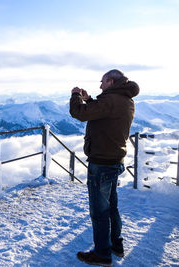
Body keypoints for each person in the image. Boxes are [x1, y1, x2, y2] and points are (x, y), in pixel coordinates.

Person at [69, 69, 139, 266]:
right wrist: (90, 99)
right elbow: (104, 114)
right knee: (111, 208)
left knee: (99, 212)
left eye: (102, 82)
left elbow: (79, 113)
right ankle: (116, 245)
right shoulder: (123, 99)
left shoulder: (111, 100)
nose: (100, 85)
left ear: (110, 81)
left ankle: (102, 254)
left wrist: (75, 96)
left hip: (102, 162)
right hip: (114, 160)